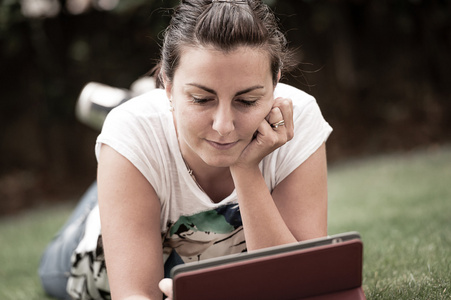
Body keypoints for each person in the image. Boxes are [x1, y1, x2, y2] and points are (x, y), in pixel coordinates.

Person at [38, 0, 333, 299]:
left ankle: (154, 111)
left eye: (246, 101)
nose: (224, 126)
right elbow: (134, 293)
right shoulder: (132, 131)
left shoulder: (299, 117)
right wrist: (129, 148)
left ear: (276, 82)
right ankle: (132, 128)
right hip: (93, 253)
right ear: (167, 85)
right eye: (202, 99)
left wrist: (245, 168)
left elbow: (303, 283)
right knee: (128, 141)